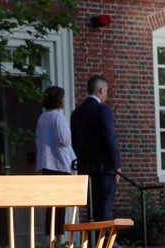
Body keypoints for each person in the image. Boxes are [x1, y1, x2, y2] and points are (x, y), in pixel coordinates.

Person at [70, 75, 121, 222]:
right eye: (106, 90)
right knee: (104, 205)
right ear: (100, 90)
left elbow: (75, 141)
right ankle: (103, 239)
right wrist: (116, 164)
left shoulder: (76, 113)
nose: (106, 94)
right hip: (104, 168)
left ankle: (92, 240)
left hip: (85, 167)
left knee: (91, 207)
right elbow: (109, 138)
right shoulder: (102, 110)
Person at [35, 85, 76, 236]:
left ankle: (52, 235)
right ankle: (60, 237)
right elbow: (65, 140)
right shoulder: (58, 117)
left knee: (51, 205)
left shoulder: (42, 117)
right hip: (60, 164)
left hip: (46, 164)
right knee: (60, 206)